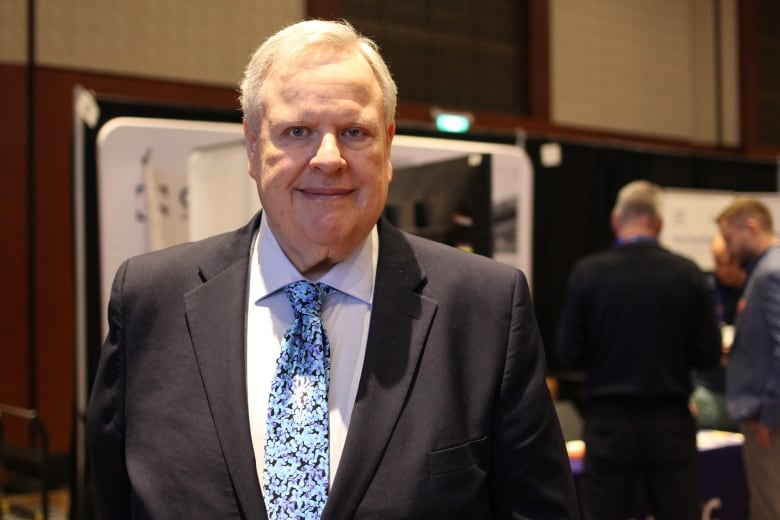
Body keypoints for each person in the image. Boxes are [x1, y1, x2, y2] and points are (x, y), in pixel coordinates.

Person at [86, 19, 579, 519]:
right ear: (253, 146)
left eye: (354, 132)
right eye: (297, 131)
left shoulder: (485, 310)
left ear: (387, 145)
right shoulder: (150, 302)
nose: (329, 158)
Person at [556, 180, 721, 520]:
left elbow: (568, 353)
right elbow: (709, 354)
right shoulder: (687, 273)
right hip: (670, 421)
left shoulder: (588, 273)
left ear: (616, 220)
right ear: (658, 223)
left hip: (607, 422)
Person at [717, 197, 780, 519]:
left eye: (729, 238)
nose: (727, 250)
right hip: (766, 416)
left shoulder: (770, 272)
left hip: (768, 422)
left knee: (768, 509)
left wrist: (769, 416)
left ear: (751, 228)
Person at [690, 233, 744, 431]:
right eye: (718, 262)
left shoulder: (758, 286)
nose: (725, 269)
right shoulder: (705, 288)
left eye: (729, 262)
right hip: (708, 387)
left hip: (746, 393)